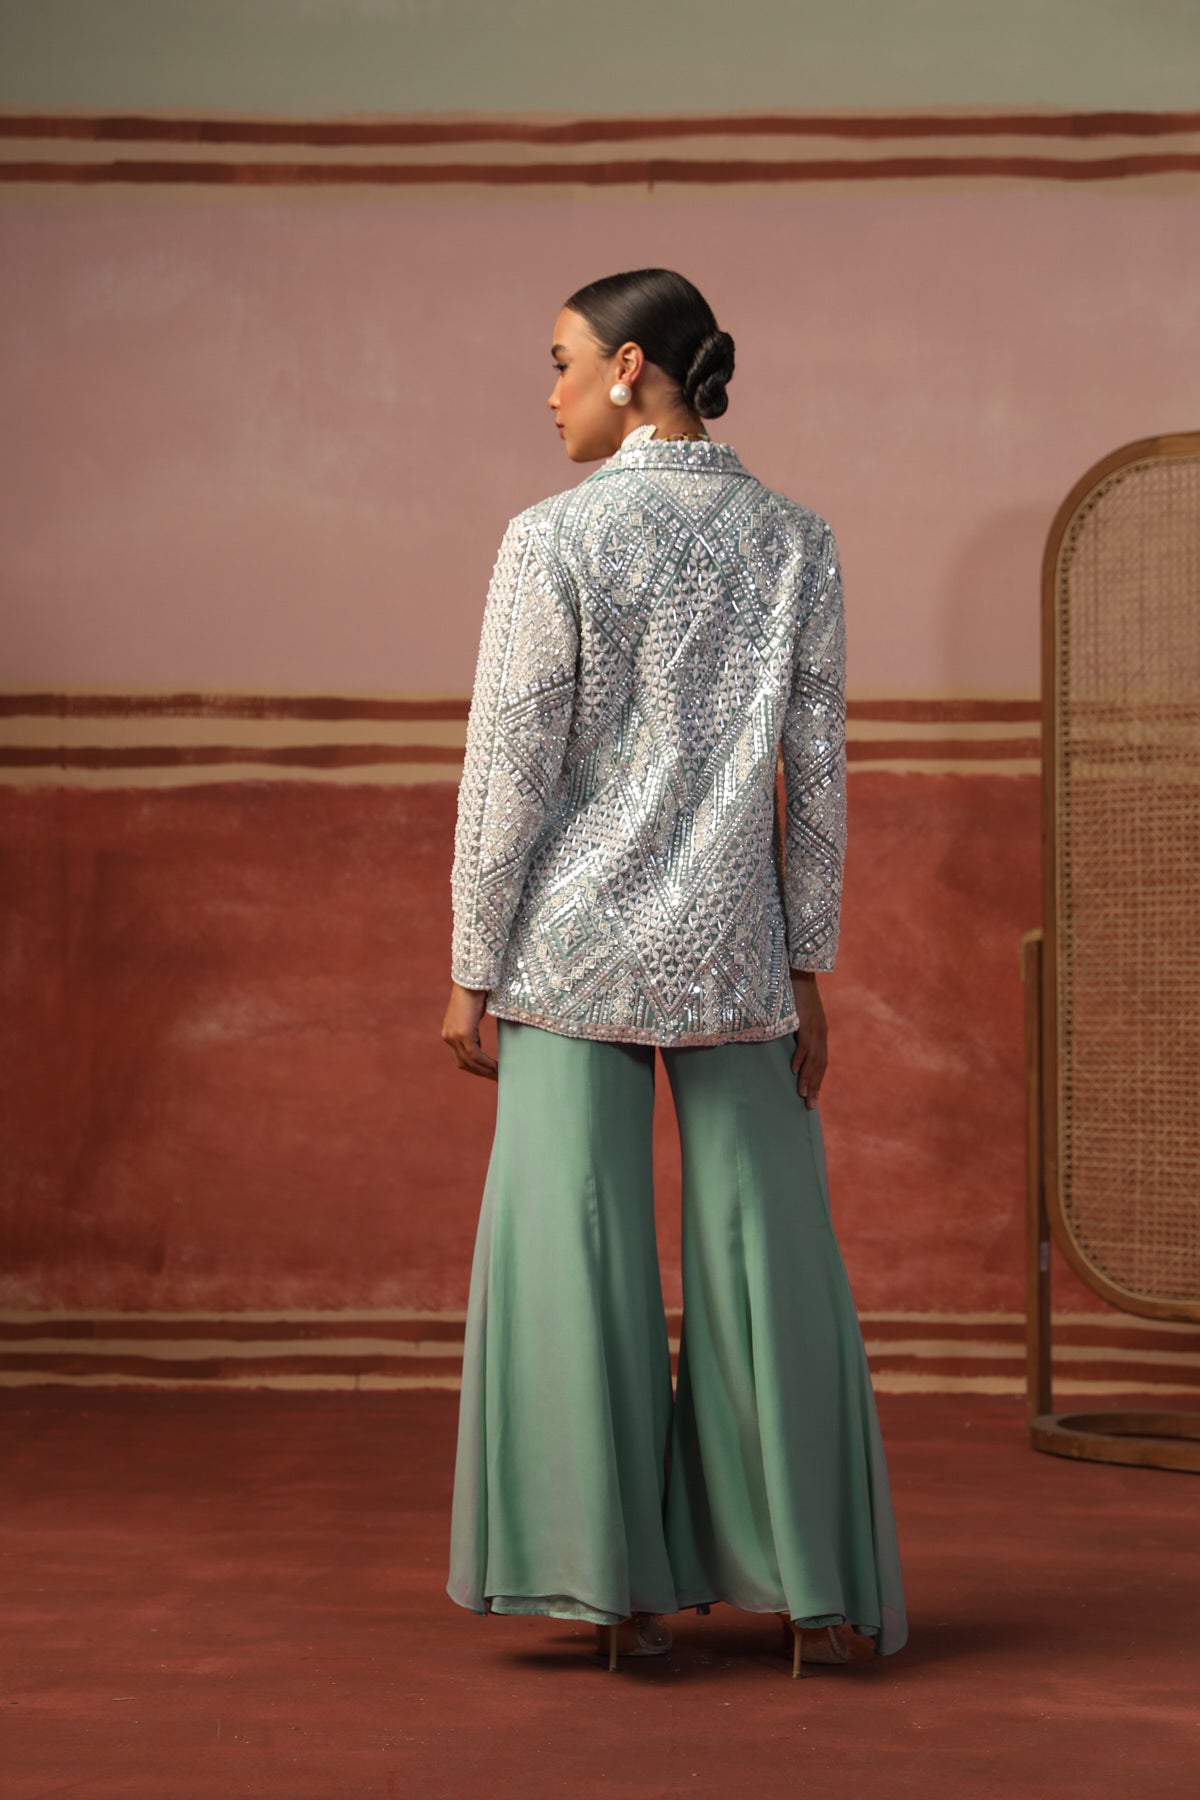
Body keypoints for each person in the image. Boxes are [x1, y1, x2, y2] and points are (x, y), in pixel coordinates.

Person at [442, 268, 907, 1677]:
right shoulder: (799, 542)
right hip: (734, 947)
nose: (551, 393)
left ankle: (608, 1592)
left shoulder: (551, 539)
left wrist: (470, 964)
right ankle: (813, 1593)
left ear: (631, 366)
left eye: (562, 362)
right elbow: (815, 781)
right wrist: (808, 964)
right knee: (770, 1254)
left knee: (571, 1249)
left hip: (568, 950)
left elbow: (510, 771)